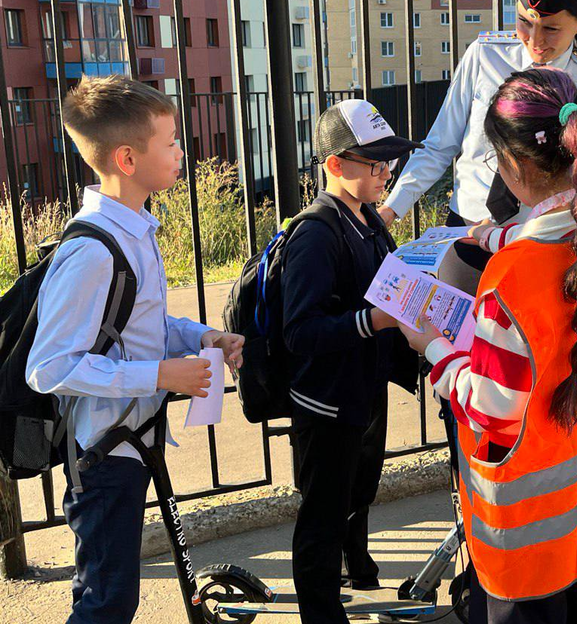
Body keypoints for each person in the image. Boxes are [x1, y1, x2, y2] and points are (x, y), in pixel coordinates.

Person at [402, 67, 577, 624]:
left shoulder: (510, 283)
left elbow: (491, 412)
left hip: (529, 550)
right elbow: (560, 236)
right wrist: (494, 235)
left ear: (511, 165)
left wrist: (433, 348)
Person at [25, 75, 244, 624]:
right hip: (103, 453)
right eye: (169, 142)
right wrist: (159, 375)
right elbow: (49, 367)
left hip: (131, 442)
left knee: (112, 594)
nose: (180, 152)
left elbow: (137, 323)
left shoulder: (136, 227)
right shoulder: (93, 249)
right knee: (107, 600)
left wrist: (199, 338)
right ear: (127, 157)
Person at [379, 0, 577, 240]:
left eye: (551, 29)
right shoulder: (486, 55)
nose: (535, 41)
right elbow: (440, 143)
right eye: (525, 22)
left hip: (537, 240)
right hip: (466, 227)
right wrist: (391, 209)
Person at [281, 99, 421, 624]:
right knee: (321, 511)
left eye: (389, 164)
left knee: (357, 489)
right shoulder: (317, 232)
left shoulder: (365, 219)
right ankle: (321, 612)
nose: (387, 174)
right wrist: (376, 322)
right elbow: (300, 331)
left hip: (361, 387)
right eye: (375, 164)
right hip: (325, 399)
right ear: (335, 165)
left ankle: (357, 571)